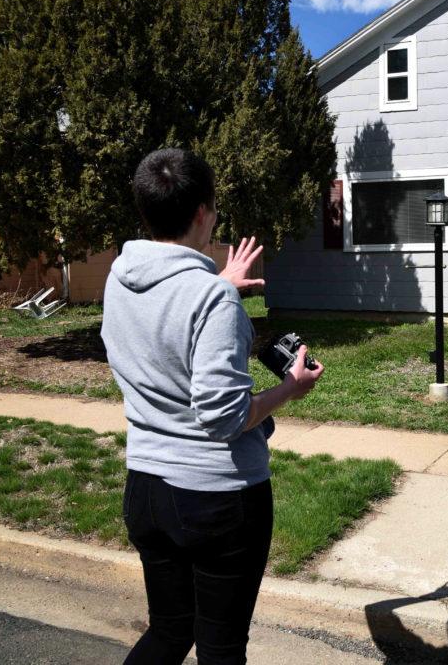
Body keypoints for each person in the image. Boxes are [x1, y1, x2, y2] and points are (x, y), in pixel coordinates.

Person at [101, 148, 324, 664]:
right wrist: (291, 387)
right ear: (203, 212)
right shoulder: (210, 300)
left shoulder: (119, 276)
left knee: (169, 632)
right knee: (222, 650)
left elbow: (159, 324)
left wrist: (218, 286)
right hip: (216, 500)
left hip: (146, 489)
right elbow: (223, 417)